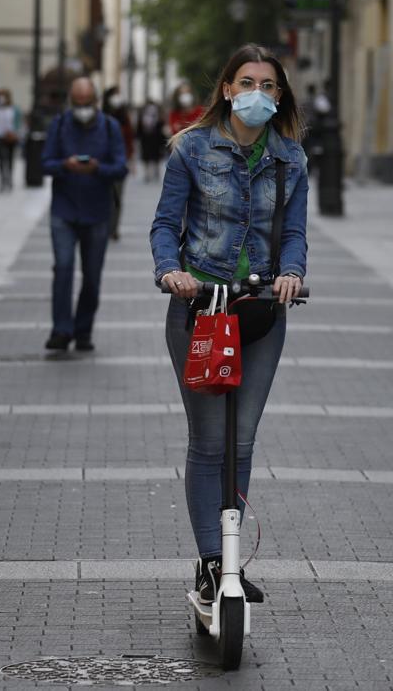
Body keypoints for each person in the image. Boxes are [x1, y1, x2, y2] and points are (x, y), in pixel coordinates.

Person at [149, 44, 307, 605]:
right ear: (226, 88)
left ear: (280, 94)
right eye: (247, 82)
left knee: (242, 443)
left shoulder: (291, 159)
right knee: (210, 443)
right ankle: (214, 564)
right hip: (200, 308)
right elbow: (166, 225)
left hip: (261, 310)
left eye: (268, 86)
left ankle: (230, 562)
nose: (257, 94)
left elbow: (294, 233)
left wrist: (291, 272)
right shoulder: (191, 150)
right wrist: (171, 270)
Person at [40, 78, 129, 352]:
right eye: (77, 103)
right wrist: (64, 166)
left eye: (86, 103)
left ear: (96, 102)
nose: (82, 108)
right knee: (63, 269)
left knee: (91, 276)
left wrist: (97, 168)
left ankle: (83, 330)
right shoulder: (59, 125)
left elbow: (120, 167)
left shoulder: (110, 128)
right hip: (64, 211)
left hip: (97, 211)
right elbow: (45, 163)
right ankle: (61, 330)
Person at [103, 87, 135, 241]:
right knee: (104, 197)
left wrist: (131, 160)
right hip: (103, 163)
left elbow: (130, 139)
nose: (117, 98)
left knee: (117, 197)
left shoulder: (124, 117)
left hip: (121, 162)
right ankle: (104, 226)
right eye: (114, 95)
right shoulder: (102, 116)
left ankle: (114, 228)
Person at [0, 89, 23, 191]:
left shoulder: (14, 109)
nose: (1, 98)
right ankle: (2, 180)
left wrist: (14, 133)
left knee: (9, 159)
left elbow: (18, 124)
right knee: (0, 159)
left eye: (3, 96)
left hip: (10, 137)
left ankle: (9, 179)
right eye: (0, 96)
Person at [135, 101, 166, 184]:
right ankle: (147, 173)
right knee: (146, 156)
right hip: (145, 139)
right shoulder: (142, 116)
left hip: (156, 140)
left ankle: (156, 171)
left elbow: (162, 128)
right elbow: (139, 129)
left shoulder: (158, 116)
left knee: (156, 157)